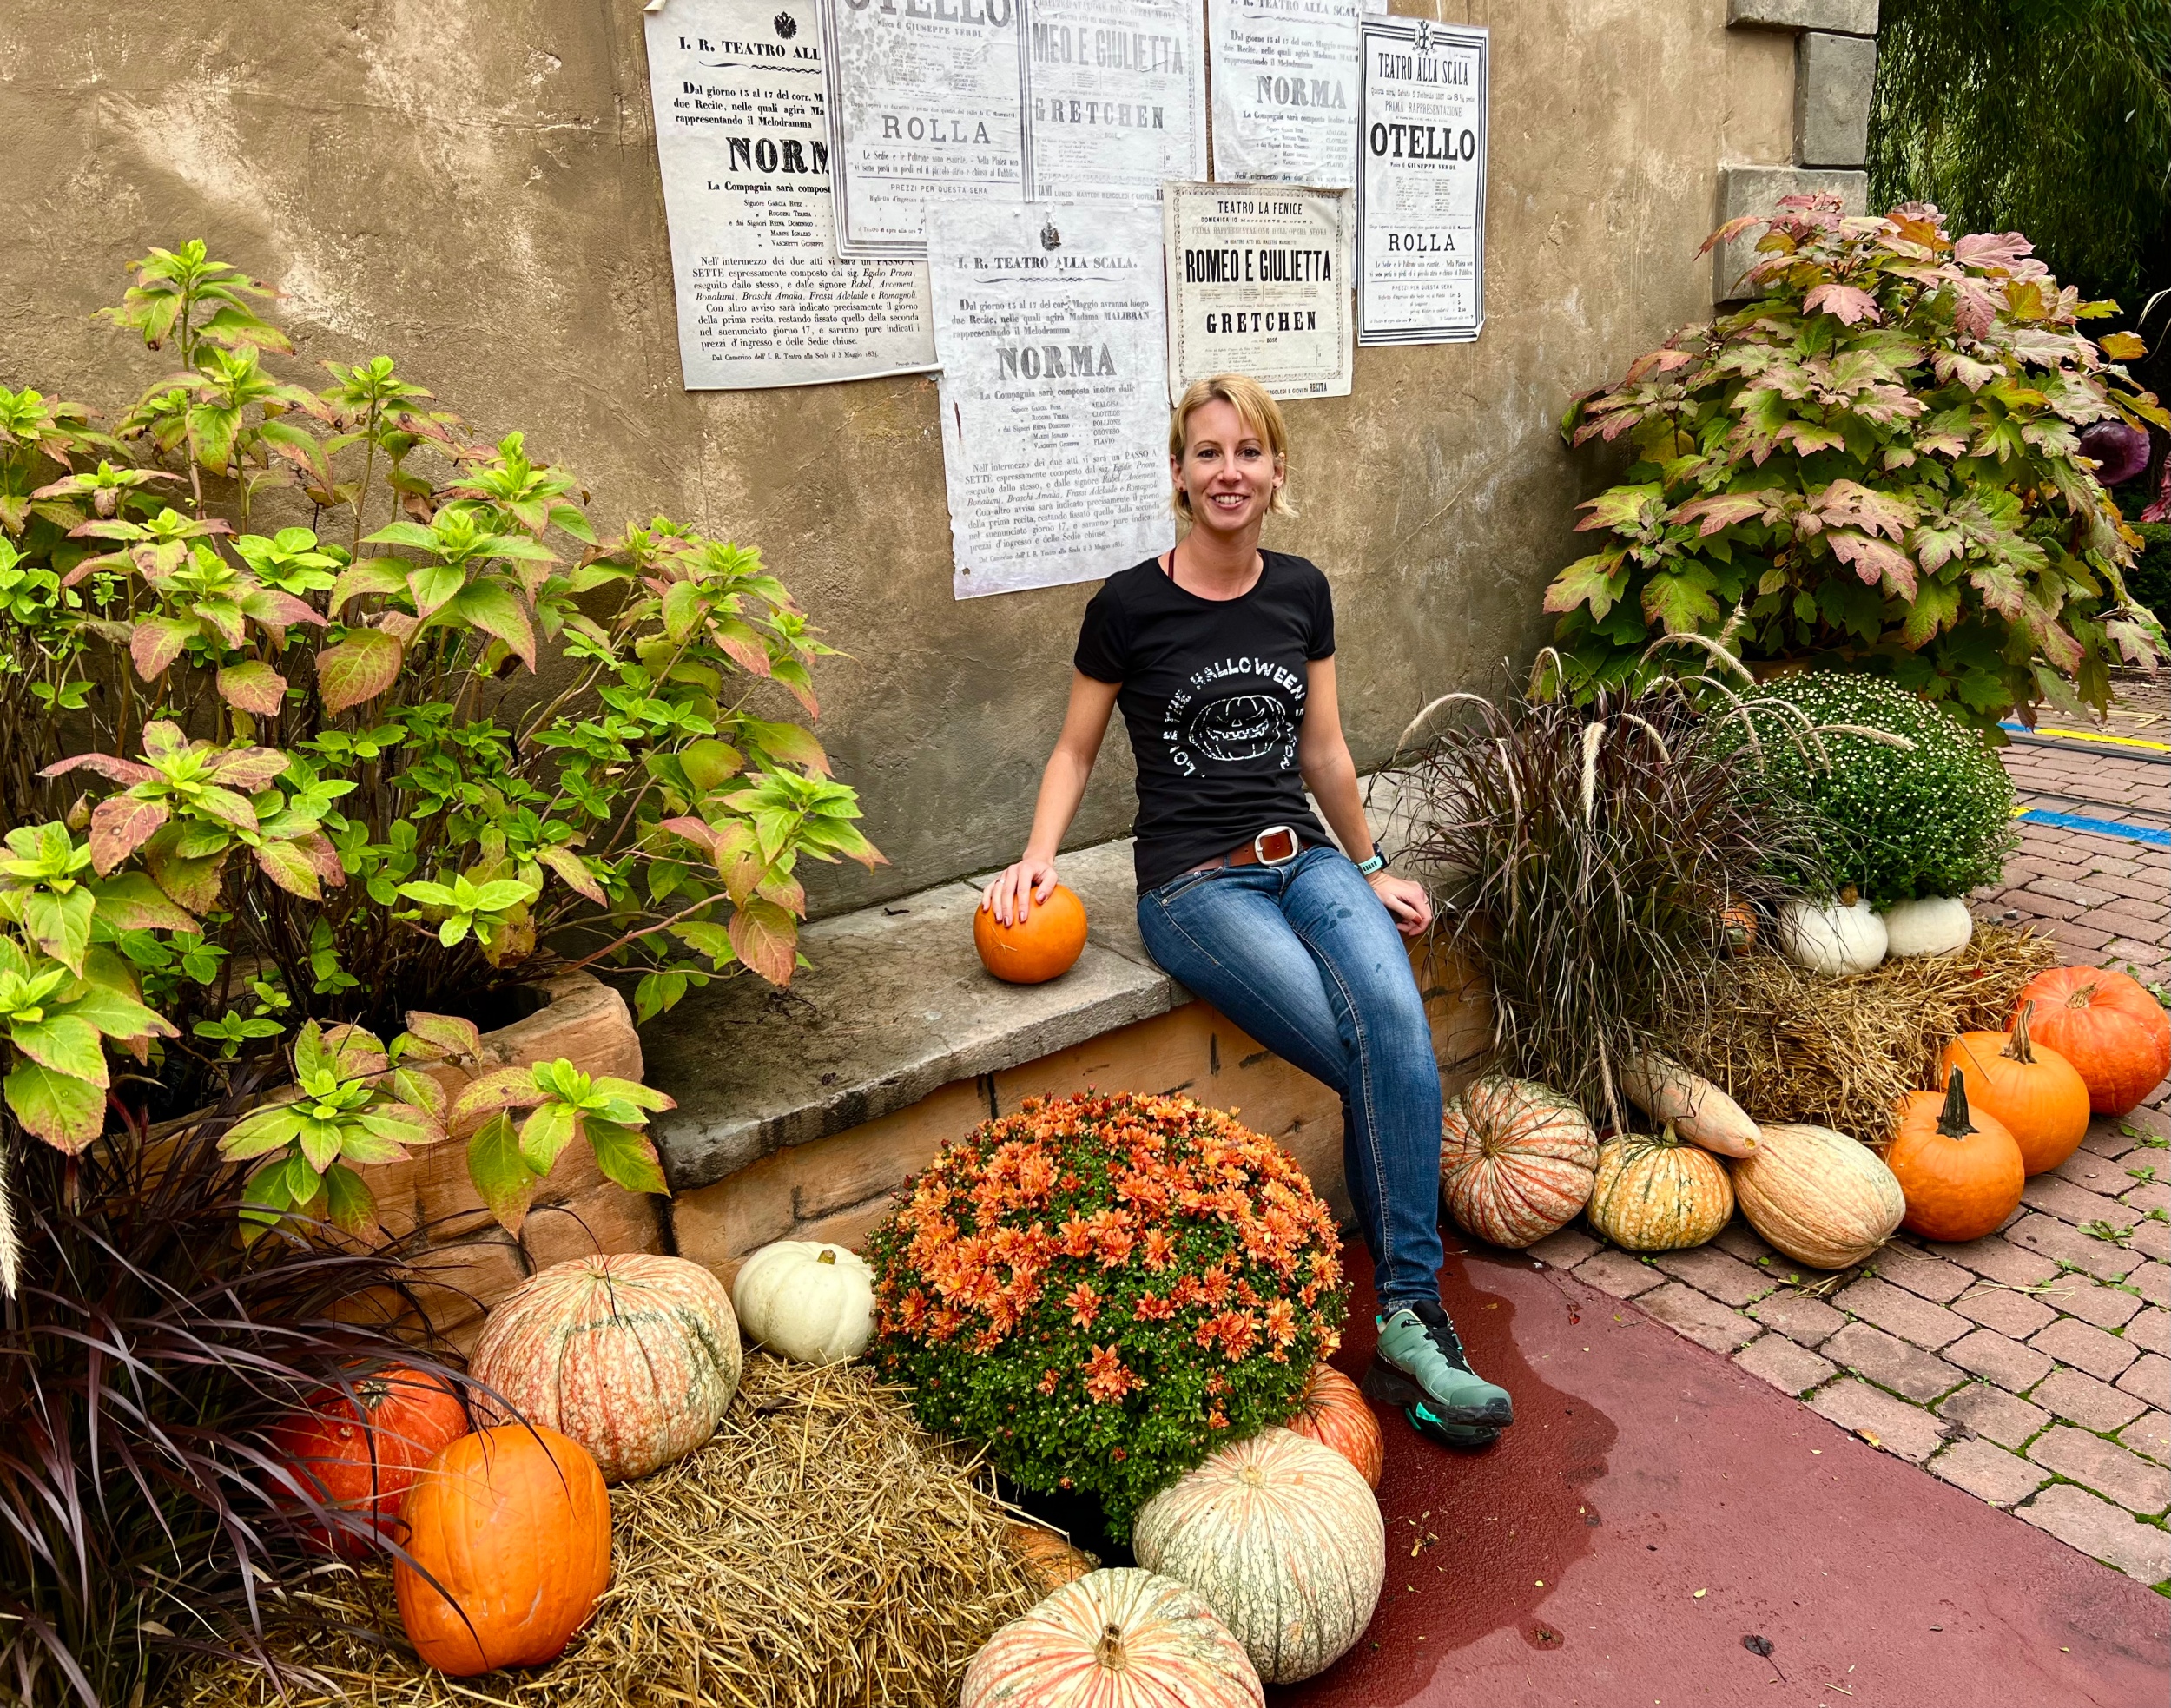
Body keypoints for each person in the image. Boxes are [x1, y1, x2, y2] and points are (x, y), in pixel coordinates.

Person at [980, 373, 1514, 1450]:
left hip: (1305, 860)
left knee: (1393, 1021)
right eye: (1208, 452)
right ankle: (1412, 1322)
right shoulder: (1126, 605)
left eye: (1249, 452)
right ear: (1179, 474)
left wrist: (1368, 862)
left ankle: (1407, 1316)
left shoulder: (1301, 590)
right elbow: (1075, 749)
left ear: (1276, 471)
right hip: (1194, 887)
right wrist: (1036, 859)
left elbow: (1323, 748)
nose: (1229, 471)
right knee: (1378, 1052)